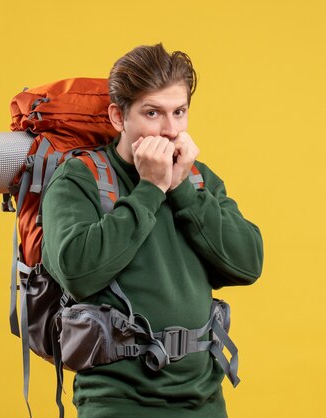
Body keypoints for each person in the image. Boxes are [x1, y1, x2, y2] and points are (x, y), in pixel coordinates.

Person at [41, 43, 264, 418]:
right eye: (152, 113)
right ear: (118, 117)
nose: (171, 130)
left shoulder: (196, 179)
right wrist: (150, 189)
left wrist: (181, 191)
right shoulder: (79, 179)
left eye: (179, 112)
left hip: (204, 397)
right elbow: (77, 272)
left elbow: (248, 263)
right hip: (118, 400)